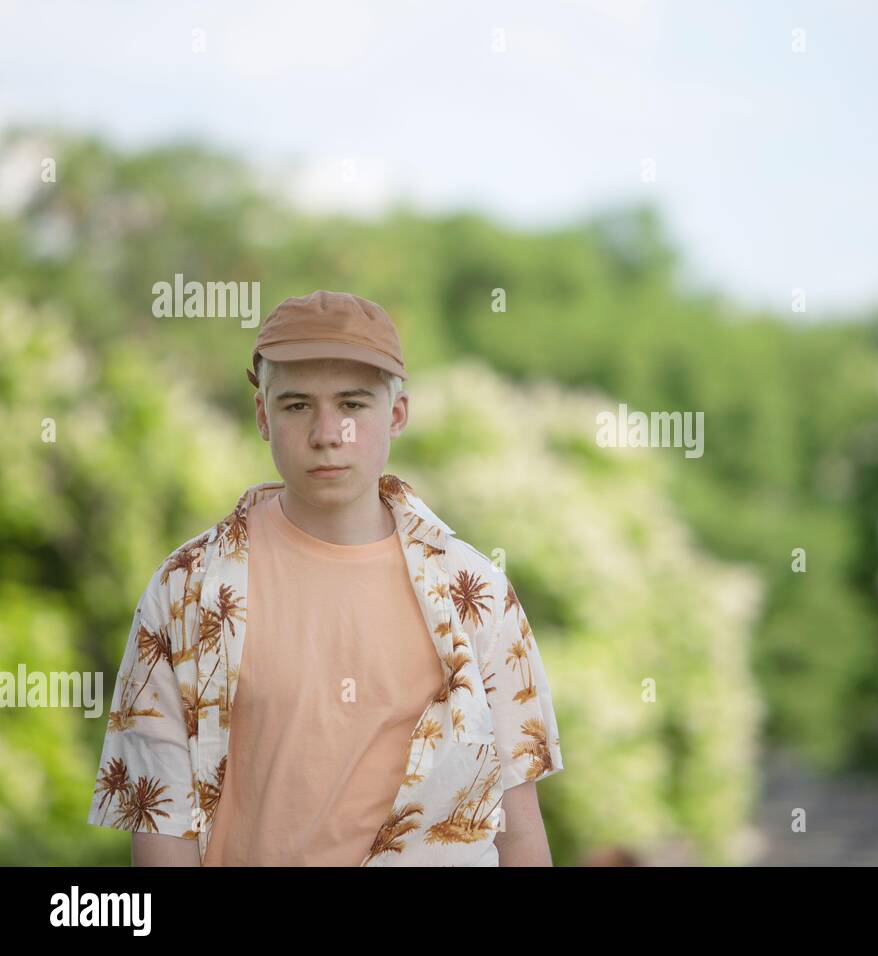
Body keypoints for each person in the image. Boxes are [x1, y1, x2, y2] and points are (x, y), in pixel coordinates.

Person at [87, 290, 563, 866]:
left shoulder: (476, 595)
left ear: (396, 414)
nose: (327, 433)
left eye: (353, 405)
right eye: (296, 406)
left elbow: (518, 830)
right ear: (263, 415)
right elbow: (161, 830)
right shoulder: (185, 591)